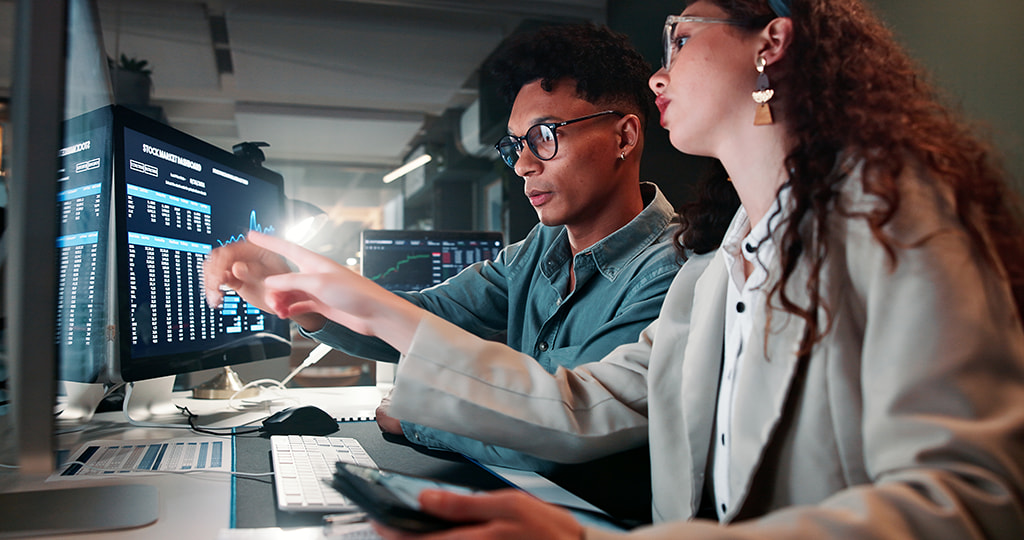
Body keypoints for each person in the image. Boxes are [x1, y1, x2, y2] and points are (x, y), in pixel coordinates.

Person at [230, 0, 1024, 538]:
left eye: (681, 37)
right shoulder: (717, 267)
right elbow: (577, 404)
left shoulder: (889, 210)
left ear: (769, 43)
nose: (658, 66)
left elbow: (967, 501)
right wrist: (350, 304)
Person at [204, 24, 698, 474]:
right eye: (514, 146)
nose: (523, 164)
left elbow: (563, 422)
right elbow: (421, 319)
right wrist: (303, 296)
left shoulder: (670, 273)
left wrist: (417, 419)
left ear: (624, 136)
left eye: (544, 136)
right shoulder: (534, 252)